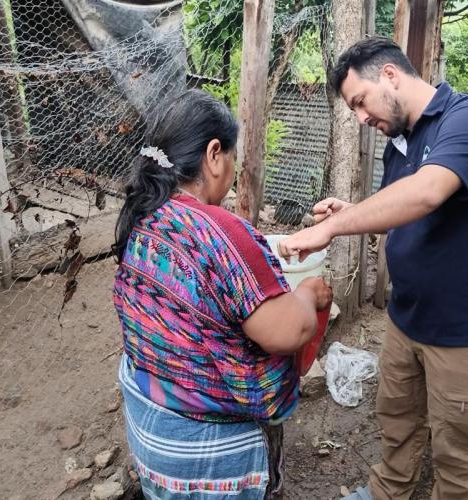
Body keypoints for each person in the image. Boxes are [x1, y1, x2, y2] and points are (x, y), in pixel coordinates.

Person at [278, 37, 468, 500]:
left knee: (458, 449)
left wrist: (332, 230)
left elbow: (427, 192)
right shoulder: (400, 143)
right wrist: (351, 211)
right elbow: (407, 213)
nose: (361, 118)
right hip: (409, 315)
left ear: (389, 75)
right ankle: (388, 490)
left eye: (359, 102)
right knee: (398, 418)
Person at [112, 89, 332, 499]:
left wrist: (277, 247)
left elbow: (200, 272)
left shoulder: (145, 214)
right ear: (215, 155)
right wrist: (308, 295)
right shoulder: (221, 229)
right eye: (231, 156)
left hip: (151, 437)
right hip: (205, 461)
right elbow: (287, 332)